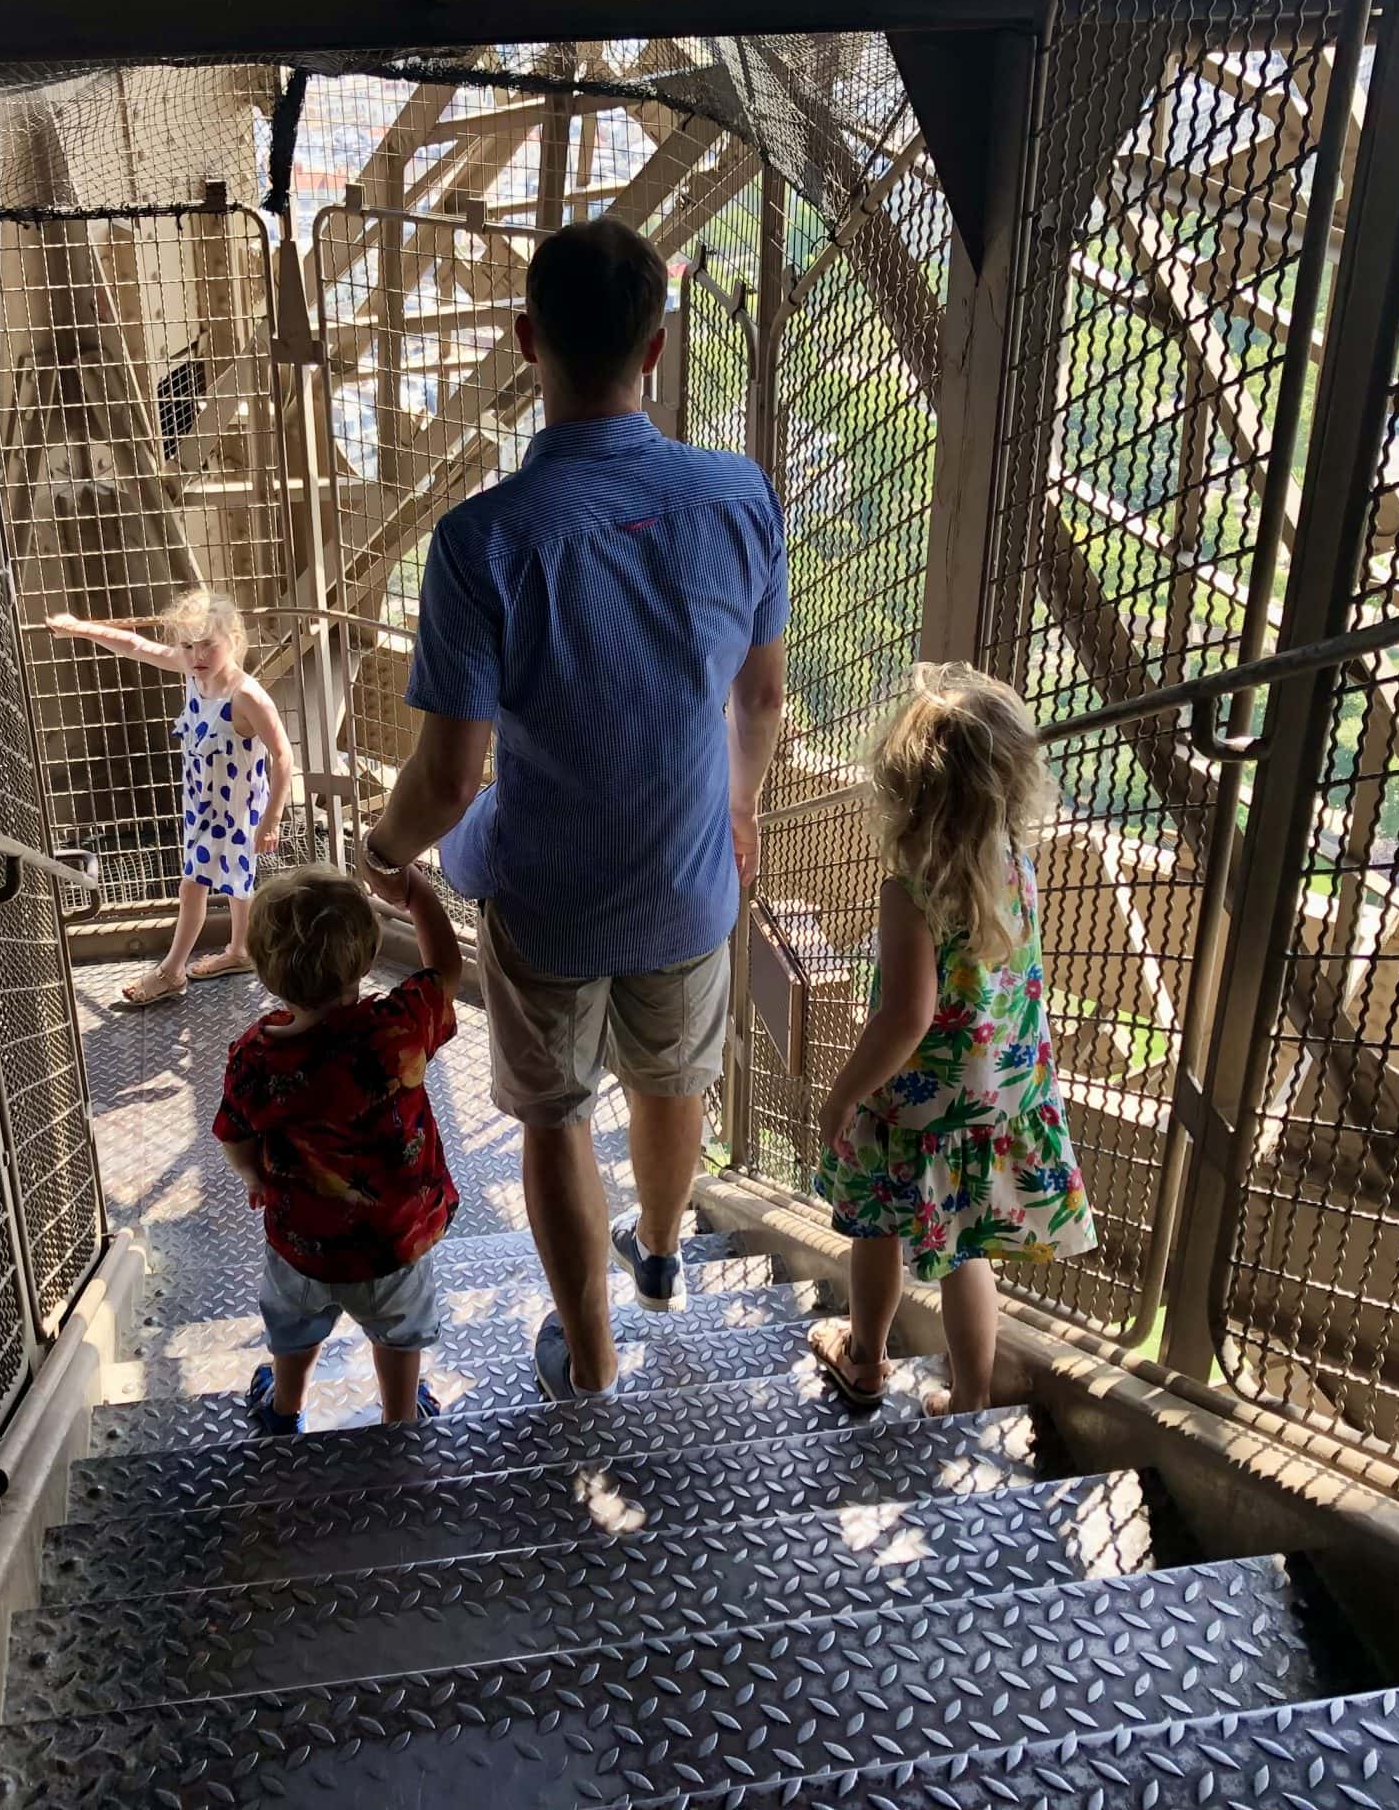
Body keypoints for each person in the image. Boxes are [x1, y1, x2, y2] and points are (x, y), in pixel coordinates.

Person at [357, 217, 788, 1403]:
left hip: (547, 894)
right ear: (655, 349)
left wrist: (383, 852)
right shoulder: (739, 495)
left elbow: (448, 781)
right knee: (673, 1075)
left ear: (523, 342)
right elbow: (759, 696)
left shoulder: (481, 543)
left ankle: (590, 1359)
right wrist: (736, 807)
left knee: (553, 1114)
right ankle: (659, 1262)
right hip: (690, 877)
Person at [807, 664, 1098, 1418]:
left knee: (874, 1229)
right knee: (968, 1254)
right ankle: (970, 1395)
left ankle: (866, 1360)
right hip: (998, 1098)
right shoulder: (1018, 869)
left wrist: (845, 1093)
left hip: (914, 1107)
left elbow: (906, 1015)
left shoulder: (911, 887)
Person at [211, 863, 464, 1431]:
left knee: (294, 1328)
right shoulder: (398, 1028)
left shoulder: (254, 1056)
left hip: (302, 1240)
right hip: (393, 1240)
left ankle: (285, 1407)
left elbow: (233, 1135)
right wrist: (419, 895)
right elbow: (446, 970)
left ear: (267, 973)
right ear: (368, 960)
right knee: (399, 1336)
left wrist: (254, 1179)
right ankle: (399, 1417)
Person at [46, 589, 293, 1006]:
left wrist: (271, 820)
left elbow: (283, 756)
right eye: (188, 645)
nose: (197, 655)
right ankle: (239, 951)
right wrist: (79, 629)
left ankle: (172, 970)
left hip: (234, 806)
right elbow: (135, 645)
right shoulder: (192, 671)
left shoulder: (247, 696)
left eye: (208, 645)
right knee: (236, 877)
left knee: (193, 883)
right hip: (202, 798)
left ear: (233, 639)